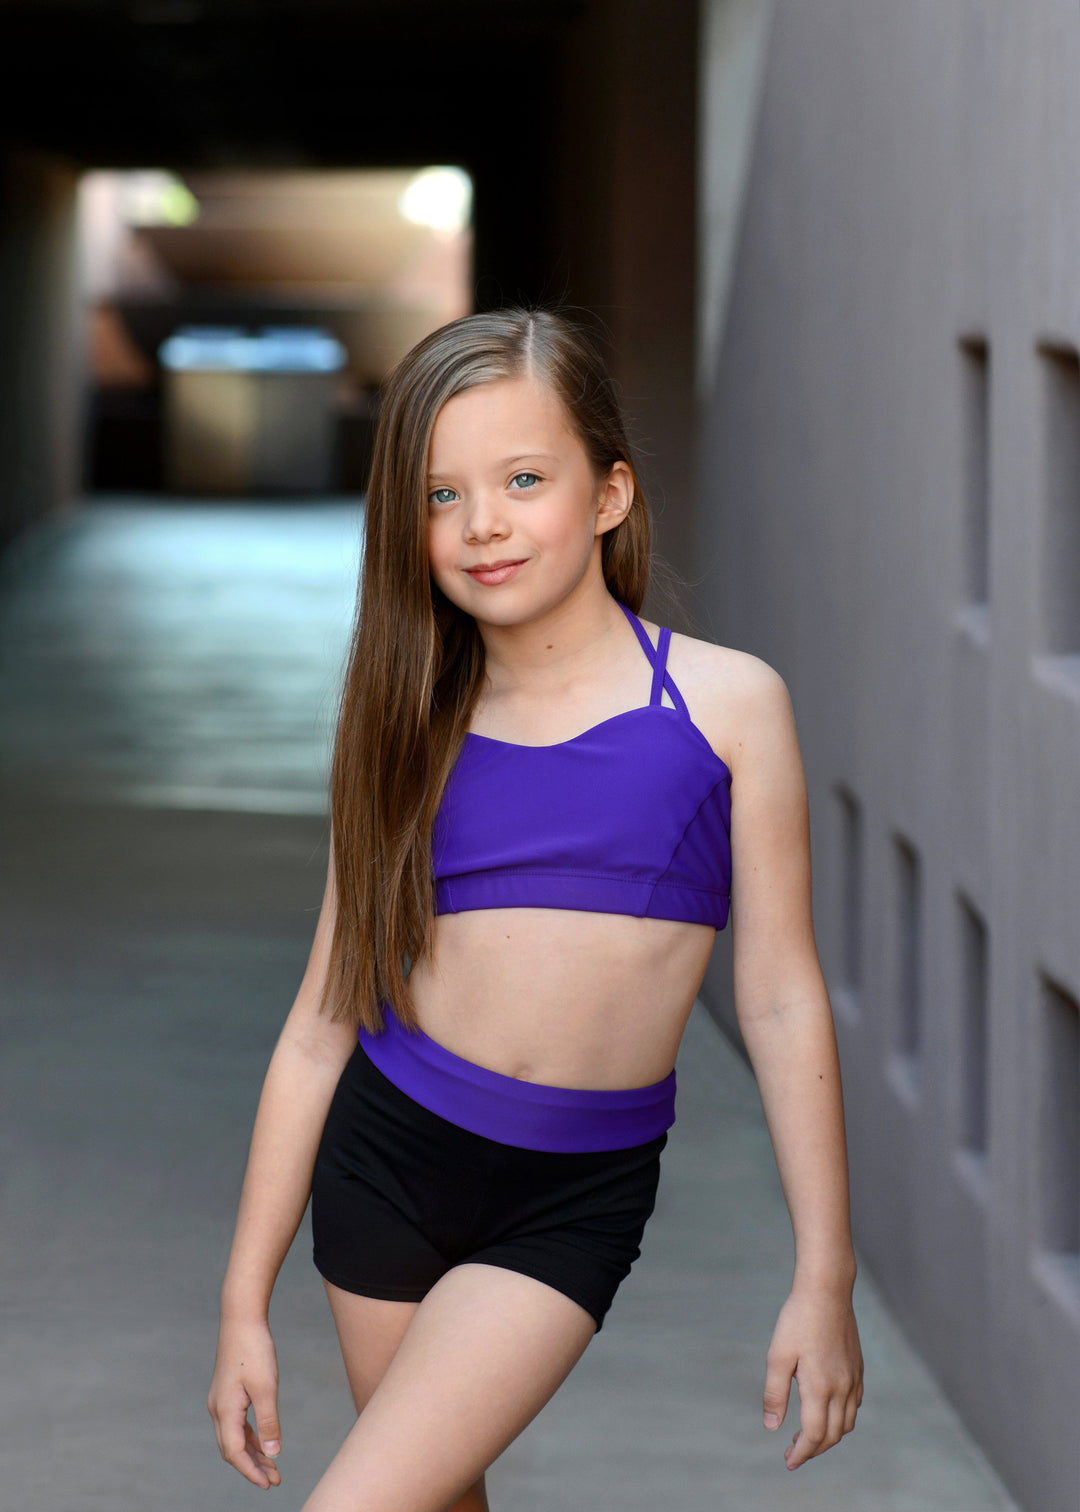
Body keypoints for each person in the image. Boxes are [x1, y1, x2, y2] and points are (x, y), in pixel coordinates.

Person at [207, 307, 864, 1510]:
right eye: (441, 495)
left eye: (521, 479)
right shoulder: (407, 727)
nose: (482, 525)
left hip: (568, 1199)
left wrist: (826, 1276)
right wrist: (243, 1308)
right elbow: (318, 1027)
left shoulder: (726, 707)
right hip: (388, 1167)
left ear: (608, 494)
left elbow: (778, 1000)